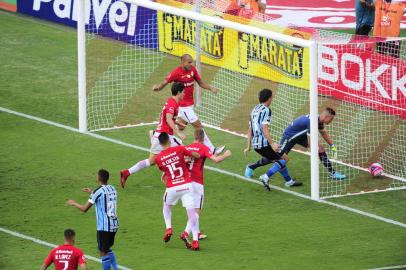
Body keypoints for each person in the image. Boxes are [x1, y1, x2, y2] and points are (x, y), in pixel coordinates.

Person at [152, 54, 225, 155]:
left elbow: (200, 83)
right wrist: (158, 88)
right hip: (183, 107)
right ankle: (212, 150)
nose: (192, 64)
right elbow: (165, 82)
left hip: (190, 105)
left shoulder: (193, 70)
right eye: (189, 62)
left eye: (192, 62)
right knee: (198, 126)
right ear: (182, 62)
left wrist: (211, 88)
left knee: (181, 127)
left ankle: (157, 135)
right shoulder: (176, 73)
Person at [120, 82, 186, 188]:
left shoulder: (171, 102)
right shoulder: (172, 104)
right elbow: (168, 119)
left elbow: (167, 117)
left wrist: (178, 122)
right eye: (183, 92)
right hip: (166, 135)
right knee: (184, 151)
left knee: (151, 161)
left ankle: (126, 172)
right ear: (178, 92)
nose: (184, 94)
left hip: (159, 135)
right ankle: (173, 176)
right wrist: (178, 132)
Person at [179, 129, 232, 245]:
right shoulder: (203, 148)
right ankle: (186, 233)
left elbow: (182, 161)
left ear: (194, 137)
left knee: (191, 210)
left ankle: (196, 232)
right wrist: (226, 154)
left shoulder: (187, 147)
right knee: (196, 211)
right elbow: (216, 160)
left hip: (185, 182)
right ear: (203, 139)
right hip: (197, 183)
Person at [243, 89, 302, 190]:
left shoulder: (254, 109)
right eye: (272, 97)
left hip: (256, 144)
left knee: (280, 159)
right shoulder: (267, 110)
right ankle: (265, 177)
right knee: (283, 159)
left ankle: (289, 181)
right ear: (269, 98)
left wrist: (248, 146)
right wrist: (272, 143)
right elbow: (264, 128)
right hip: (264, 143)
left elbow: (250, 129)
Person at [154, 132, 201, 250]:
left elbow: (163, 167)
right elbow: (194, 155)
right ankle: (195, 241)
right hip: (186, 186)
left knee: (166, 206)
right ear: (170, 141)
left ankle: (169, 228)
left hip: (172, 187)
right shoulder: (179, 149)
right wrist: (196, 155)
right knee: (192, 214)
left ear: (160, 144)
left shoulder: (158, 158)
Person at [67, 169, 119, 270]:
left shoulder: (97, 192)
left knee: (102, 251)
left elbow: (84, 209)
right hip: (114, 224)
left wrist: (73, 203)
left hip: (104, 226)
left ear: (99, 178)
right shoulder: (112, 188)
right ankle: (116, 268)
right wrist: (92, 192)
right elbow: (103, 196)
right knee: (106, 248)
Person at [279, 108, 346, 180]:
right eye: (331, 119)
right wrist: (315, 156)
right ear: (327, 117)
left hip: (299, 136)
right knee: (279, 157)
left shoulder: (319, 120)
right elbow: (310, 141)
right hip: (289, 137)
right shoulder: (313, 122)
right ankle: (266, 176)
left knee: (320, 148)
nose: (331, 121)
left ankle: (333, 173)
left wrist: (332, 145)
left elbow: (323, 133)